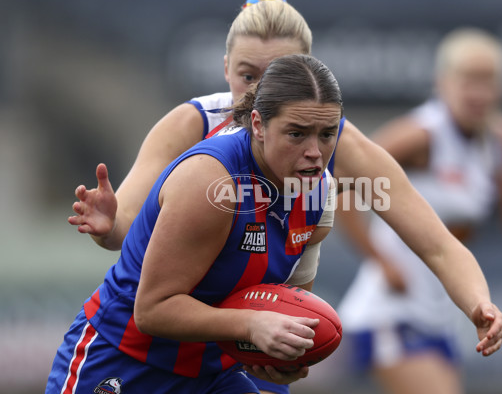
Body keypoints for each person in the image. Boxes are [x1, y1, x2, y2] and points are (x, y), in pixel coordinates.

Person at [66, 0, 502, 393]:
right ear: (226, 69)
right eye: (248, 75)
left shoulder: (326, 148)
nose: (261, 92)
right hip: (134, 352)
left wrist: (479, 303)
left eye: (278, 74)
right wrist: (110, 226)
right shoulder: (200, 147)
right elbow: (137, 254)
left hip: (229, 361)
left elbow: (435, 243)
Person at [47, 53, 343, 394]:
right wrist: (250, 325)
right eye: (297, 133)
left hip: (215, 374)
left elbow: (287, 305)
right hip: (124, 358)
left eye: (326, 134)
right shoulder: (212, 183)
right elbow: (153, 310)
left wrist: (281, 362)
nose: (315, 153)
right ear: (258, 125)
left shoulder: (320, 193)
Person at [336, 27, 502, 394]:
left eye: (488, 80)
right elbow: (342, 181)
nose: (478, 92)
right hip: (392, 309)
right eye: (469, 79)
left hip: (440, 312)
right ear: (443, 82)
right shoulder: (423, 134)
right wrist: (379, 260)